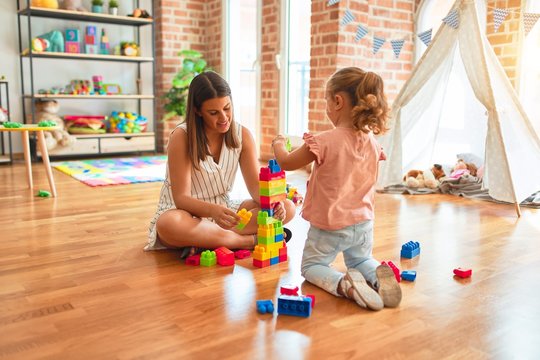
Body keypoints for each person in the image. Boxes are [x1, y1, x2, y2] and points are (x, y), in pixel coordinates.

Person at [272, 67, 401, 311]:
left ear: (338, 100)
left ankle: (345, 286)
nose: (327, 107)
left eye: (327, 101)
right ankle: (375, 275)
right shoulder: (372, 142)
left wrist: (278, 144)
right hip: (363, 224)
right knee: (360, 259)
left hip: (329, 227)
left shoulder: (325, 141)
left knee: (311, 267)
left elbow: (286, 162)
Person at [146, 71, 295, 254]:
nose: (224, 118)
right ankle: (247, 241)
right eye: (214, 113)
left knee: (288, 206)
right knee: (169, 224)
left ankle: (208, 240)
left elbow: (256, 187)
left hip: (224, 214)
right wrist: (212, 211)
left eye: (227, 108)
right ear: (197, 111)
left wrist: (273, 204)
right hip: (184, 213)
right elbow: (181, 199)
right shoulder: (182, 136)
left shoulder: (243, 135)